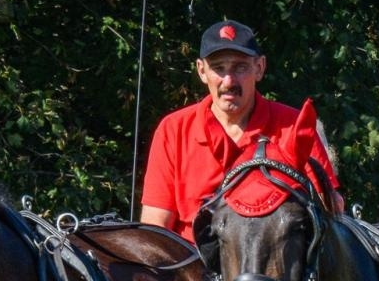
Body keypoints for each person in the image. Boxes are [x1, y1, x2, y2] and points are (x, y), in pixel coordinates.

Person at [141, 20, 341, 240]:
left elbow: (330, 214)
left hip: (273, 257)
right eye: (218, 68)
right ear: (202, 71)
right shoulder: (174, 130)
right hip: (191, 259)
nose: (228, 81)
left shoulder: (294, 126)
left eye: (240, 67)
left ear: (259, 68)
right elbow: (155, 228)